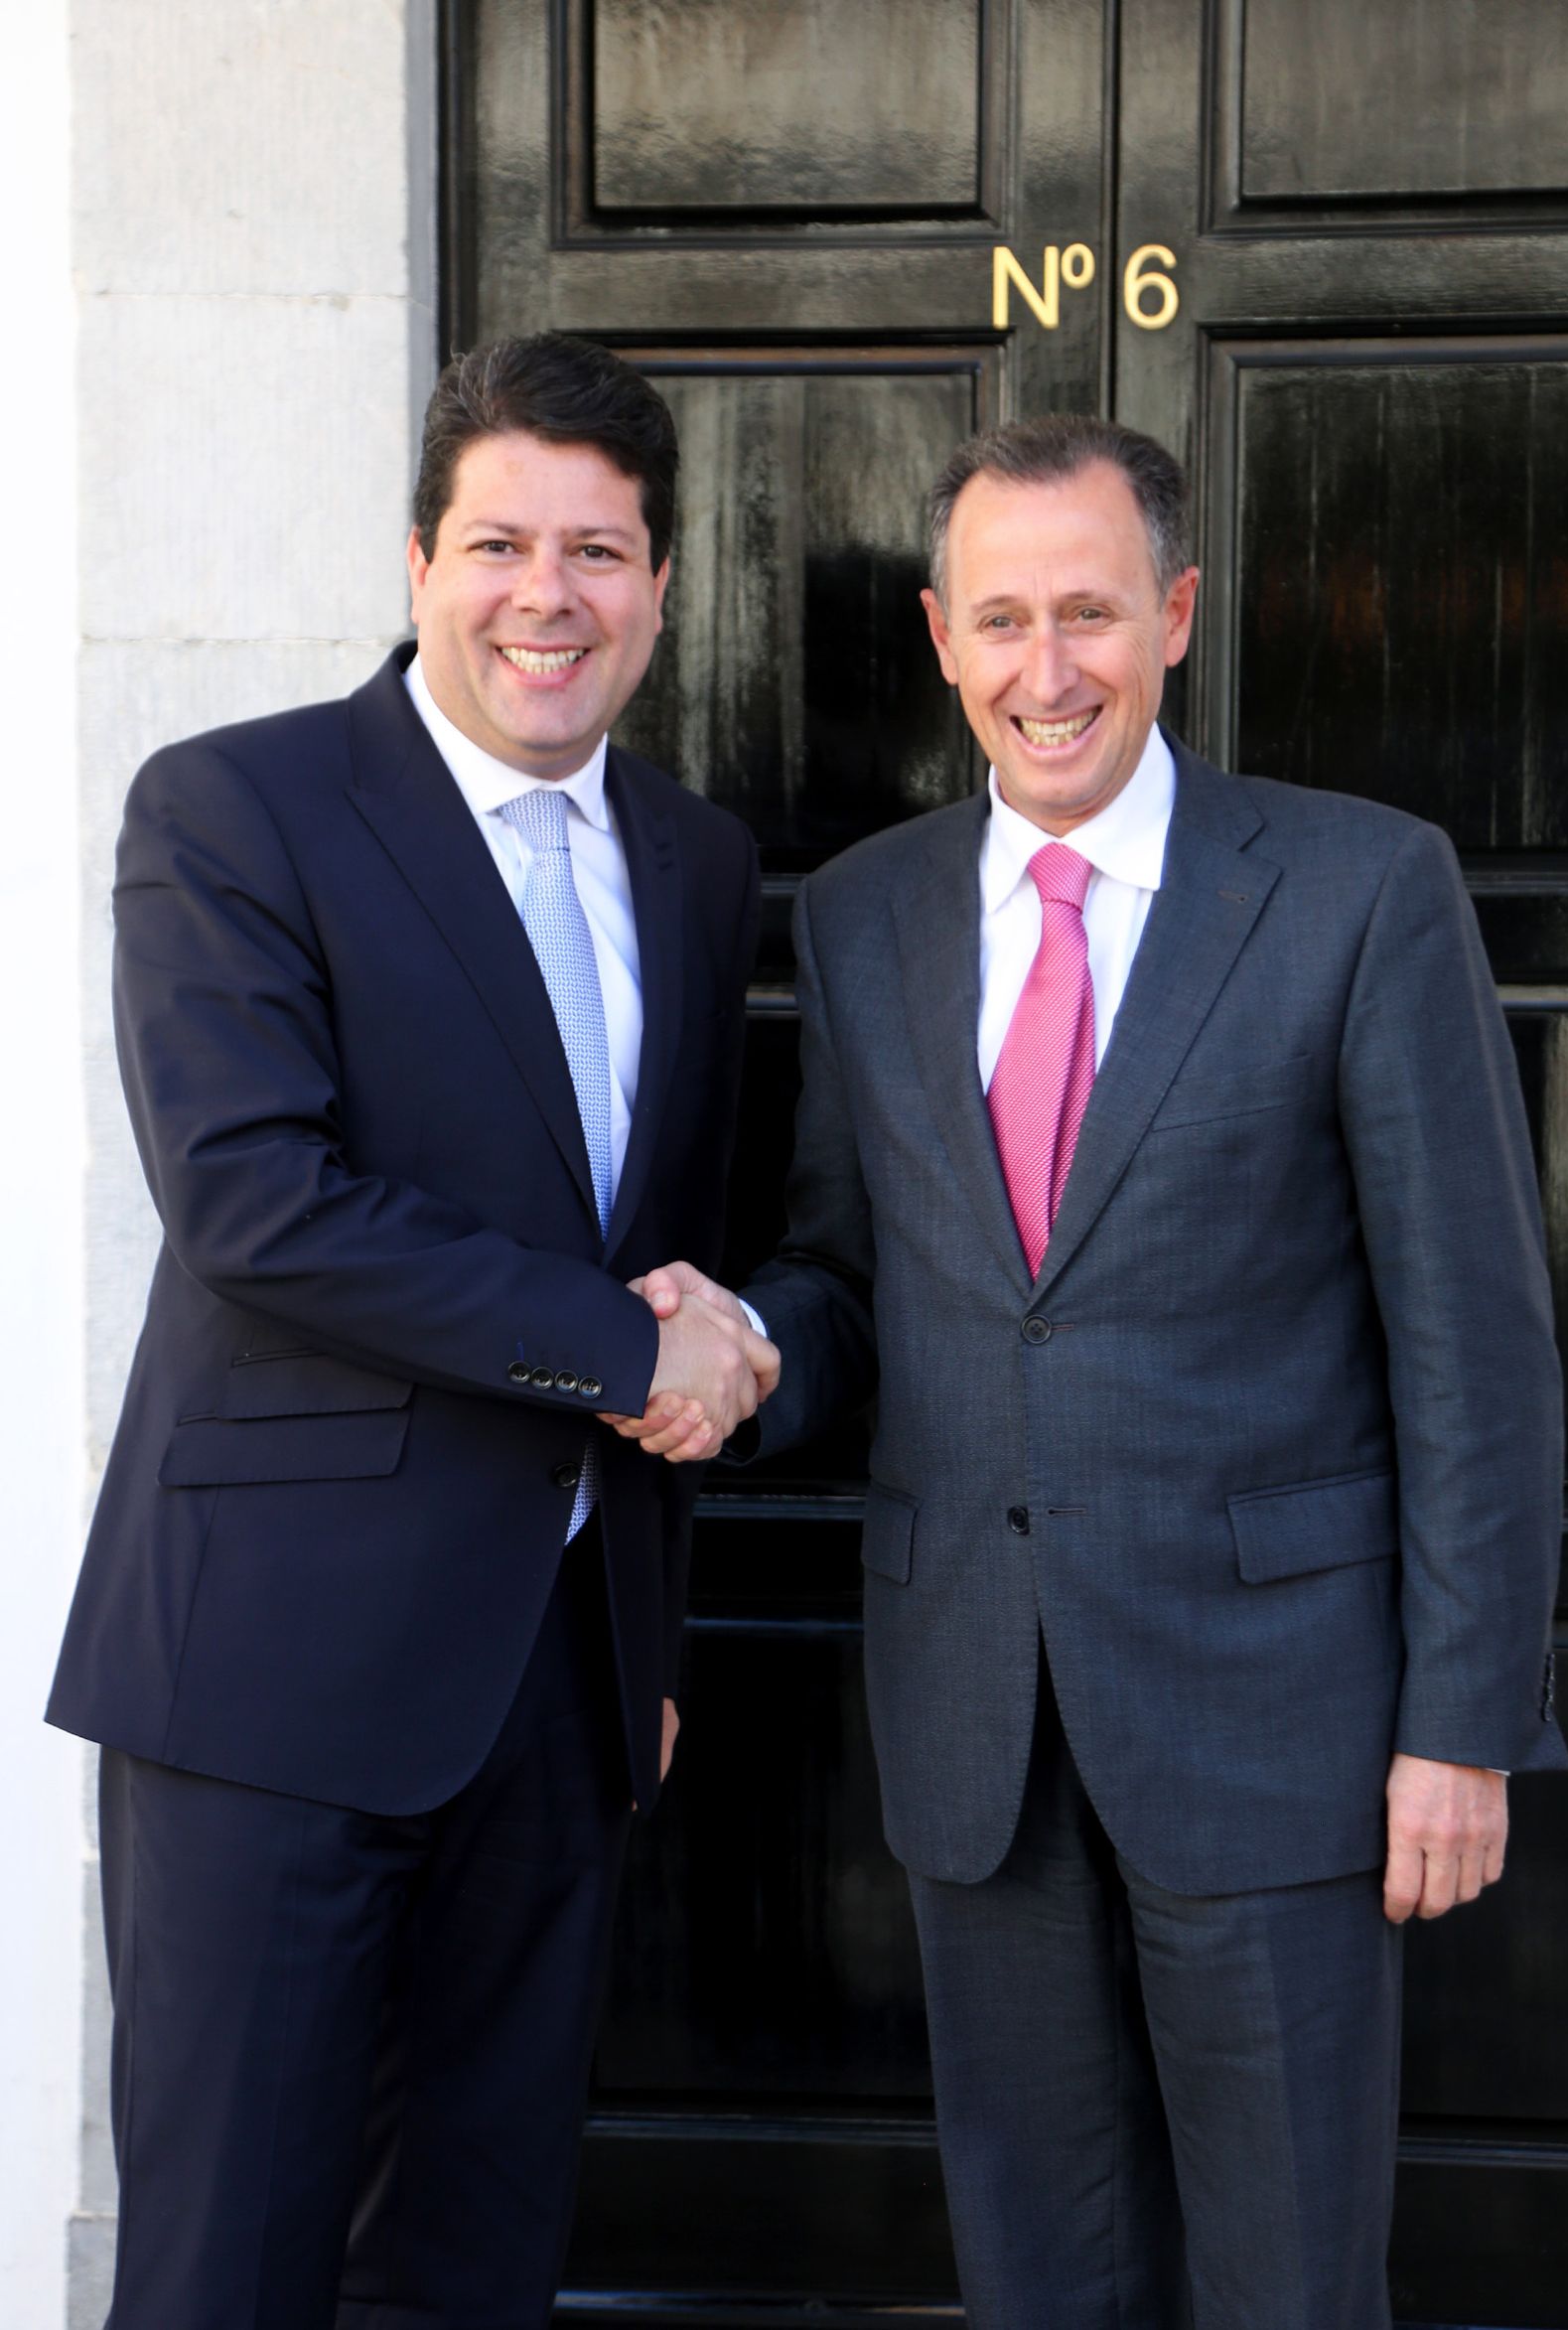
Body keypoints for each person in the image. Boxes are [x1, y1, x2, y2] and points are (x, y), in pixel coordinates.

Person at [613, 415, 1568, 2327]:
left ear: (1178, 613)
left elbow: (1474, 1337)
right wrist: (742, 1357)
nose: (1049, 671)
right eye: (1003, 620)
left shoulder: (1361, 889)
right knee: (1042, 2272)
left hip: (1279, 1734)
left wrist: (1463, 1720)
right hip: (977, 1714)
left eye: (1092, 614)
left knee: (1291, 2278)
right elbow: (851, 1271)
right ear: (940, 637)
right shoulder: (872, 914)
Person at [47, 332, 777, 2330]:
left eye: (600, 552)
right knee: (231, 2267)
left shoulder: (701, 866)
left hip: (556, 1695)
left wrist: (645, 1621)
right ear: (417, 559)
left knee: (472, 2261)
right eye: (500, 544)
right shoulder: (236, 808)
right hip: (271, 1682)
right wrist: (627, 1358)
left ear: (658, 581)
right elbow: (255, 1204)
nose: (547, 596)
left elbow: (674, 1250)